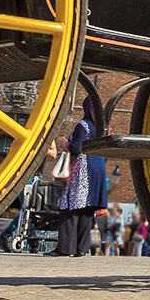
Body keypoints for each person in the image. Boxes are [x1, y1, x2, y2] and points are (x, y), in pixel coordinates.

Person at [57, 96, 107, 255]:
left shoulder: (83, 125)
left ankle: (65, 249)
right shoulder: (103, 127)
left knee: (70, 209)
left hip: (82, 171)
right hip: (98, 168)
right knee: (87, 210)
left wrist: (65, 143)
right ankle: (81, 249)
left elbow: (76, 149)